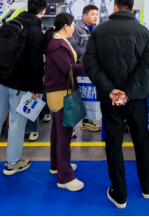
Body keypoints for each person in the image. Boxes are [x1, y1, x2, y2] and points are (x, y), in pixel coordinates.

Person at [84, 0, 149, 210]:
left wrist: (111, 90)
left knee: (114, 144)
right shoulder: (144, 32)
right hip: (136, 98)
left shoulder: (99, 31)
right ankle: (147, 187)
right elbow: (146, 66)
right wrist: (127, 92)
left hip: (110, 100)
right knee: (141, 141)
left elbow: (90, 64)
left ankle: (120, 194)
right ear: (132, 9)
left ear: (114, 7)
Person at [0, 0, 47, 175]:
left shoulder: (12, 22)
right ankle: (12, 162)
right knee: (17, 122)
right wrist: (36, 88)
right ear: (43, 11)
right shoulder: (35, 31)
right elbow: (36, 64)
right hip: (19, 84)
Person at [44, 13, 85, 192]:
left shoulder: (58, 41)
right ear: (66, 26)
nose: (74, 28)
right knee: (64, 133)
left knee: (57, 130)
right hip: (60, 92)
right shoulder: (58, 44)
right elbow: (67, 68)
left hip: (57, 91)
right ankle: (65, 177)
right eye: (73, 24)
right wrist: (86, 66)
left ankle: (57, 165)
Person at [69, 4, 101, 133]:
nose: (95, 17)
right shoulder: (77, 28)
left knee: (88, 95)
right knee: (75, 96)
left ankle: (86, 121)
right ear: (84, 16)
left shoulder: (97, 28)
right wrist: (89, 55)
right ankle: (71, 126)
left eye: (97, 14)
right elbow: (73, 46)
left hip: (90, 67)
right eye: (93, 14)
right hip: (79, 67)